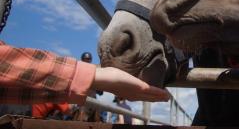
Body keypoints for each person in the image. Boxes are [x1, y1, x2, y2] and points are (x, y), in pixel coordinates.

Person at [0, 41, 170, 104]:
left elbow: (101, 91)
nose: (88, 61)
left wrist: (99, 80)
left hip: (88, 94)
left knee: (98, 111)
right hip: (77, 95)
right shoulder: (84, 66)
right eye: (86, 60)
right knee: (70, 113)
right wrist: (97, 76)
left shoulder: (88, 68)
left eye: (89, 60)